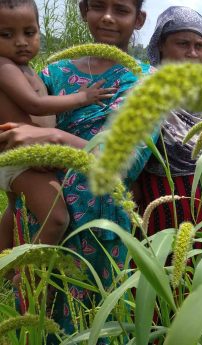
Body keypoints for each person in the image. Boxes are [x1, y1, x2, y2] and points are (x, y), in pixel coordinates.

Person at [0, 0, 154, 340]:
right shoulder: (52, 73)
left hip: (101, 233)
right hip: (42, 229)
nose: (108, 17)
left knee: (100, 325)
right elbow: (15, 131)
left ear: (139, 19)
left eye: (122, 9)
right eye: (98, 5)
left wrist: (51, 136)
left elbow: (124, 159)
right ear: (84, 11)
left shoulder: (147, 82)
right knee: (40, 326)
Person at [0, 0, 115, 253]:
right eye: (6, 34)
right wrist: (83, 98)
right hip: (20, 160)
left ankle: (5, 266)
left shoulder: (23, 68)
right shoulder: (4, 67)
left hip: (25, 158)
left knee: (14, 209)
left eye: (29, 33)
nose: (20, 41)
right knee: (57, 218)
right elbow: (36, 105)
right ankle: (26, 273)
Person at [135, 6, 202, 235]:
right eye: (183, 44)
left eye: (199, 46)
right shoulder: (146, 90)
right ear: (161, 46)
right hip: (167, 215)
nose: (193, 53)